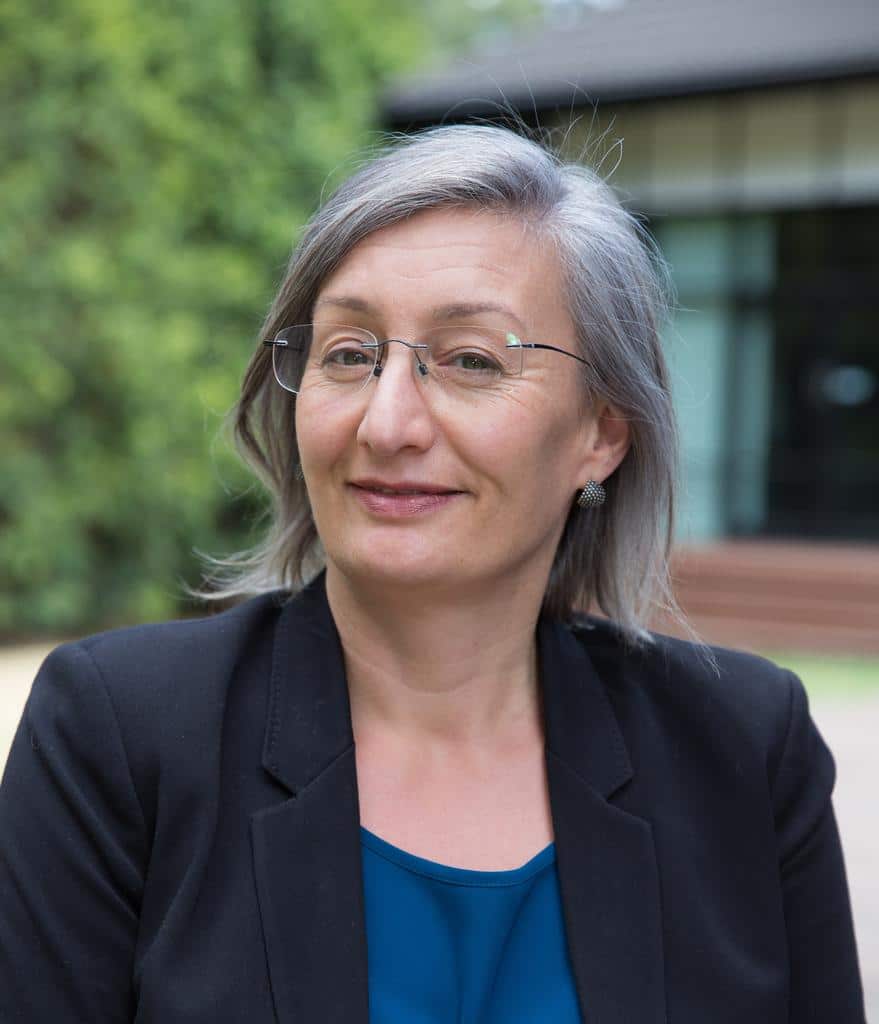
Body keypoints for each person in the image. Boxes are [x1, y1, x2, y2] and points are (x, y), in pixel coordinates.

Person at [0, 124, 866, 1023]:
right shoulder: (117, 734)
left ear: (600, 435)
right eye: (347, 354)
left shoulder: (742, 747)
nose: (386, 423)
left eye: (470, 361)